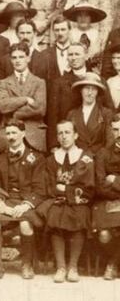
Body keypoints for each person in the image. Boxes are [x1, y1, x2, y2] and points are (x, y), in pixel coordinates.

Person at [0, 119, 45, 281]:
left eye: (14, 133)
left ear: (23, 134)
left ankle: (26, 265)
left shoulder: (37, 158)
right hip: (7, 200)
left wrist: (26, 205)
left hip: (27, 203)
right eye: (8, 133)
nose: (11, 137)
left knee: (25, 223)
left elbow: (40, 189)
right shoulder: (0, 159)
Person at [37, 120, 94, 283]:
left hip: (79, 201)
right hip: (57, 200)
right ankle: (61, 267)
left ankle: (73, 267)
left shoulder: (86, 158)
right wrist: (59, 191)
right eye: (60, 133)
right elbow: (48, 184)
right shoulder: (51, 160)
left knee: (80, 215)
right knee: (55, 214)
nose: (64, 136)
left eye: (67, 132)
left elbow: (89, 186)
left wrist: (66, 190)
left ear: (75, 135)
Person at [0, 43, 47, 153]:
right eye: (14, 58)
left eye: (21, 57)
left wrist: (15, 114)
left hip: (33, 135)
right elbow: (2, 106)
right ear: (10, 60)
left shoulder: (39, 82)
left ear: (28, 58)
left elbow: (40, 109)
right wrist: (26, 99)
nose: (17, 60)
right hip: (9, 135)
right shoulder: (3, 83)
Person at [93, 114, 120, 280]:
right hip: (106, 200)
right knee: (104, 235)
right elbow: (99, 185)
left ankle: (112, 264)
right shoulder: (103, 153)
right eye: (116, 129)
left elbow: (108, 181)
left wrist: (115, 180)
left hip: (114, 193)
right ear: (111, 131)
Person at [66, 73, 113, 155]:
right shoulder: (71, 114)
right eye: (87, 88)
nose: (90, 93)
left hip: (98, 159)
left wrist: (100, 157)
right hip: (77, 158)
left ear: (97, 92)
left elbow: (110, 142)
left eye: (94, 89)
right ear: (81, 90)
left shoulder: (106, 113)